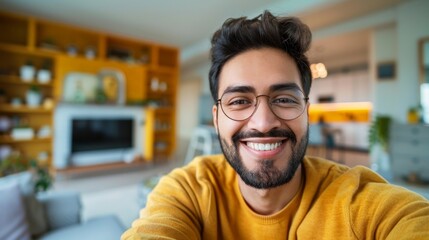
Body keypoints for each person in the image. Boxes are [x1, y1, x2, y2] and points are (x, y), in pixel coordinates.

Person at [122, 11, 429, 239]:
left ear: (306, 112)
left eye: (284, 99)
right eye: (240, 101)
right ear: (217, 119)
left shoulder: (358, 202)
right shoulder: (187, 190)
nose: (264, 122)